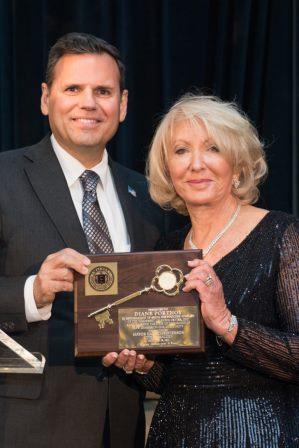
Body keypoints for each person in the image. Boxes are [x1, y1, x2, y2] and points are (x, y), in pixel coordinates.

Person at [0, 32, 177, 448]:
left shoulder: (150, 197)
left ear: (123, 104)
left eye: (103, 91)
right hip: (26, 425)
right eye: (73, 89)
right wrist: (33, 292)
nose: (89, 103)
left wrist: (148, 353)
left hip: (121, 424)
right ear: (46, 99)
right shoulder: (4, 177)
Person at [103, 94, 299, 447]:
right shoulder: (165, 249)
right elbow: (174, 376)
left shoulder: (282, 236)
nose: (195, 164)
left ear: (237, 164)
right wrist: (145, 367)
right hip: (175, 433)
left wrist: (226, 322)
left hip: (258, 434)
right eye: (180, 151)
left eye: (212, 149)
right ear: (168, 169)